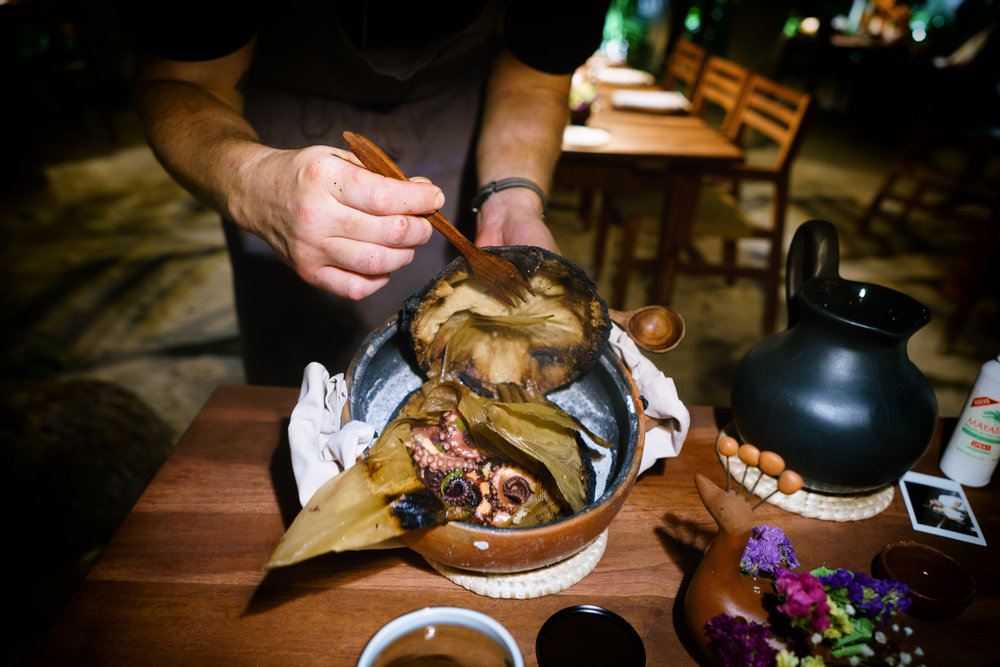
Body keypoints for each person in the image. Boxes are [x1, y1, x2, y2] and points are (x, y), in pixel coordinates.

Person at [129, 1, 610, 386]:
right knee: (294, 371)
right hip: (270, 144)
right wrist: (253, 184)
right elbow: (180, 80)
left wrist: (512, 199)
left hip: (462, 133)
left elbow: (532, 82)